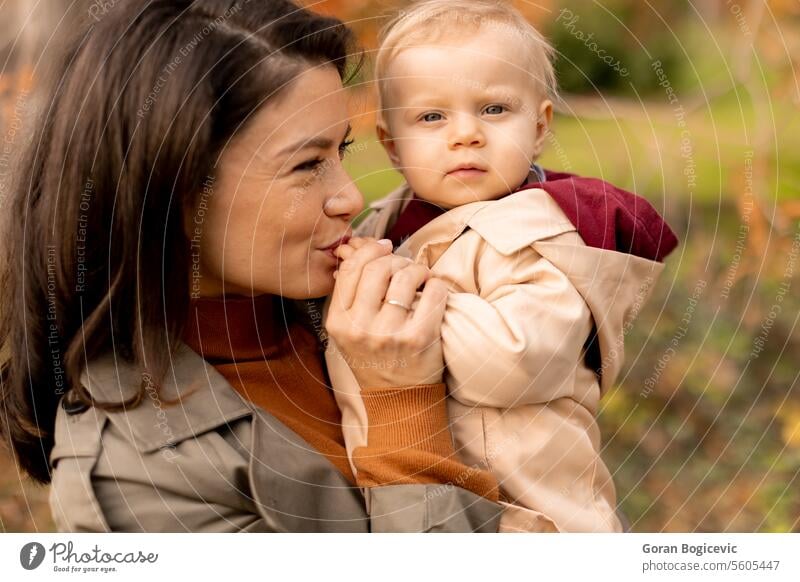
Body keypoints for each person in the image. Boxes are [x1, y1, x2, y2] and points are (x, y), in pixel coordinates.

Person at [0, 0, 502, 532]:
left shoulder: (369, 302)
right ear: (177, 190)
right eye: (307, 165)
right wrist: (402, 407)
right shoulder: (135, 479)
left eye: (342, 151)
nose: (350, 198)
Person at [325, 0, 679, 532]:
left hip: (530, 522)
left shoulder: (542, 237)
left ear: (539, 128)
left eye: (493, 109)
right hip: (416, 504)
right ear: (391, 145)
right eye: (431, 116)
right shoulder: (386, 225)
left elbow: (512, 365)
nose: (465, 134)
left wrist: (404, 288)